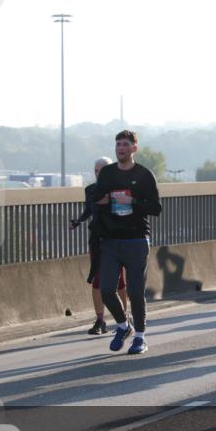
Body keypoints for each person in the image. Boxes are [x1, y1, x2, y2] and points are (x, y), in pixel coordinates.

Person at [91, 130, 163, 354]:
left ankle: (140, 337)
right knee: (106, 289)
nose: (120, 148)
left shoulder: (144, 174)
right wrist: (101, 201)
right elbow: (95, 199)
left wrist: (132, 200)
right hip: (111, 241)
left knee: (135, 291)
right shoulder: (108, 173)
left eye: (125, 144)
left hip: (136, 239)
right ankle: (123, 325)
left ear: (134, 148)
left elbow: (156, 208)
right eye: (118, 145)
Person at [71, 156, 129, 334]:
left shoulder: (120, 190)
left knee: (119, 282)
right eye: (96, 171)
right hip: (97, 239)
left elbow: (126, 212)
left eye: (101, 170)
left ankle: (124, 318)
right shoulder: (91, 190)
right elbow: (89, 209)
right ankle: (100, 320)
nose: (98, 174)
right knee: (97, 280)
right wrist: (79, 221)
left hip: (116, 239)